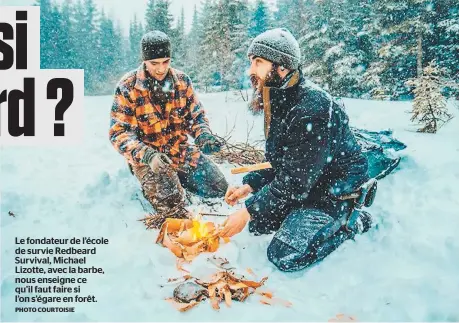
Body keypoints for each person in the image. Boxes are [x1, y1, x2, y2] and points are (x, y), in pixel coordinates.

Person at [219, 28, 377, 272]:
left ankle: (350, 222)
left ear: (281, 66)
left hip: (330, 192)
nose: (251, 70)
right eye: (252, 62)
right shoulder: (282, 97)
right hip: (307, 182)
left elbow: (294, 181)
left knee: (285, 254)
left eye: (258, 62)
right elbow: (283, 161)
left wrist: (247, 211)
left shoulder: (312, 108)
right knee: (257, 224)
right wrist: (250, 185)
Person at [109, 30, 228, 228]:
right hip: (150, 160)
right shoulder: (127, 87)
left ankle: (179, 177)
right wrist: (147, 155)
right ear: (144, 60)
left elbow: (195, 116)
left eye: (165, 61)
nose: (160, 68)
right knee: (175, 209)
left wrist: (204, 136)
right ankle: (165, 183)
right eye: (154, 63)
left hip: (180, 152)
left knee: (219, 188)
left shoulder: (182, 81)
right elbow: (119, 133)